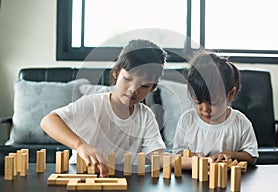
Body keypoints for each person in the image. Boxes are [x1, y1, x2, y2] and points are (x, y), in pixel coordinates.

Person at [41, 39, 168, 176]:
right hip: (82, 175)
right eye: (128, 79)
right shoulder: (92, 104)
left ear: (153, 88)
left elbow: (158, 157)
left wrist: (191, 161)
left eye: (143, 86)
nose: (133, 90)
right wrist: (80, 145)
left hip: (125, 182)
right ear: (116, 72)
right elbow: (48, 121)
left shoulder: (146, 116)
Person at [172, 51, 259, 169]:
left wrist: (230, 154)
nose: (205, 109)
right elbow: (177, 154)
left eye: (213, 103)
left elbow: (252, 157)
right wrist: (192, 157)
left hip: (228, 183)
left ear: (231, 94)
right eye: (198, 101)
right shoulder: (187, 120)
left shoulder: (240, 122)